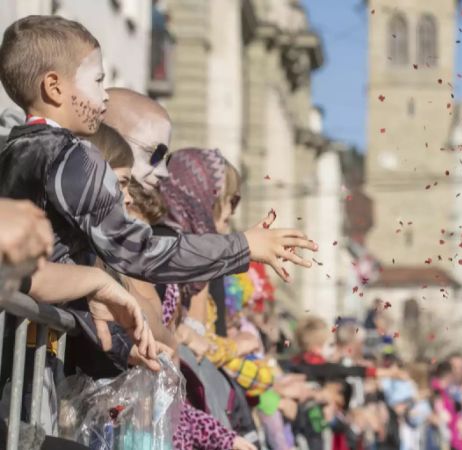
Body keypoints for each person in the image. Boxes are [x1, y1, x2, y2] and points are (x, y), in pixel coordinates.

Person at [0, 15, 317, 291]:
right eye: (97, 81)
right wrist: (244, 245)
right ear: (54, 87)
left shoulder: (12, 147)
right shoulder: (74, 158)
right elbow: (138, 250)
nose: (105, 98)